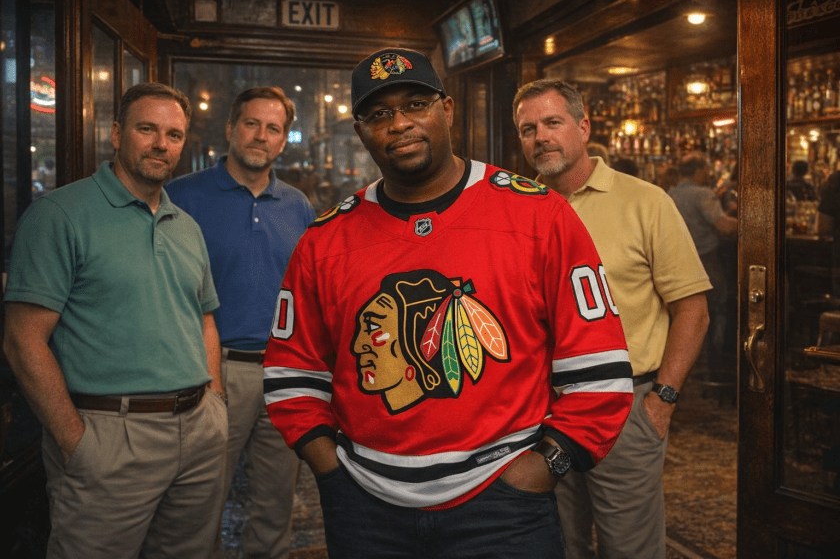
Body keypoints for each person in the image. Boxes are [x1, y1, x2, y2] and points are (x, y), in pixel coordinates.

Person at [262, 47, 634, 559]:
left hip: (504, 507)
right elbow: (290, 376)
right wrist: (333, 474)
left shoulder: (538, 216)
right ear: (361, 130)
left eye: (416, 104)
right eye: (379, 114)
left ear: (448, 110)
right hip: (365, 510)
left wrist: (542, 469)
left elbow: (599, 371)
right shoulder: (325, 240)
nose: (400, 124)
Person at [3, 82, 227, 558]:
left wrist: (215, 403)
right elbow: (23, 342)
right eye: (147, 129)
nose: (161, 144)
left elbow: (204, 320)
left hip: (198, 432)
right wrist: (76, 441)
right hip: (110, 434)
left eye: (174, 134)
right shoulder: (59, 215)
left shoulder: (185, 225)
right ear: (116, 134)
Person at [513, 78, 711, 559]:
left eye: (553, 123)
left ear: (583, 126)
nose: (540, 137)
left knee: (631, 549)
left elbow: (693, 308)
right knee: (558, 544)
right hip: (542, 410)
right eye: (527, 129)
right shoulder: (518, 210)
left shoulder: (645, 201)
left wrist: (662, 399)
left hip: (627, 406)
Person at [167, 86, 316, 559]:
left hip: (282, 374)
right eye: (251, 124)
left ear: (283, 141)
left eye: (274, 129)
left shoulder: (298, 206)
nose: (261, 136)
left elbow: (308, 293)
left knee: (275, 507)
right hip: (211, 372)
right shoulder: (182, 196)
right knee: (200, 506)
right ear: (230, 129)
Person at [669, 153, 738, 373]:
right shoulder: (702, 194)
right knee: (716, 311)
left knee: (683, 313)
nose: (708, 173)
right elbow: (724, 226)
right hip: (705, 261)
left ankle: (687, 366)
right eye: (706, 169)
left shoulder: (670, 194)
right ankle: (714, 365)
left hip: (675, 263)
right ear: (698, 171)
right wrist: (754, 221)